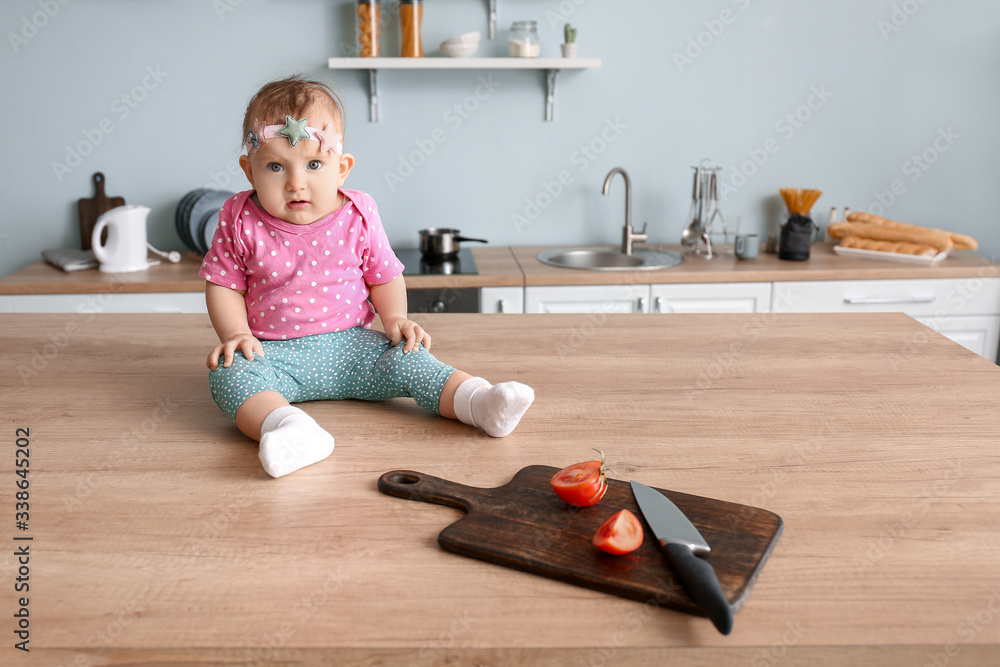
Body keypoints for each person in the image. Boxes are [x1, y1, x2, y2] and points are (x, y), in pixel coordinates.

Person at [200, 76, 534, 478]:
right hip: (273, 354)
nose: (295, 182)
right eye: (275, 166)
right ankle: (290, 428)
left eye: (314, 164)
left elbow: (384, 275)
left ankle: (479, 402)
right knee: (228, 376)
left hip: (356, 349)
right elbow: (223, 283)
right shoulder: (239, 219)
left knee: (412, 360)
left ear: (341, 169)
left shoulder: (358, 214)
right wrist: (236, 334)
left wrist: (394, 320)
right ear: (249, 171)